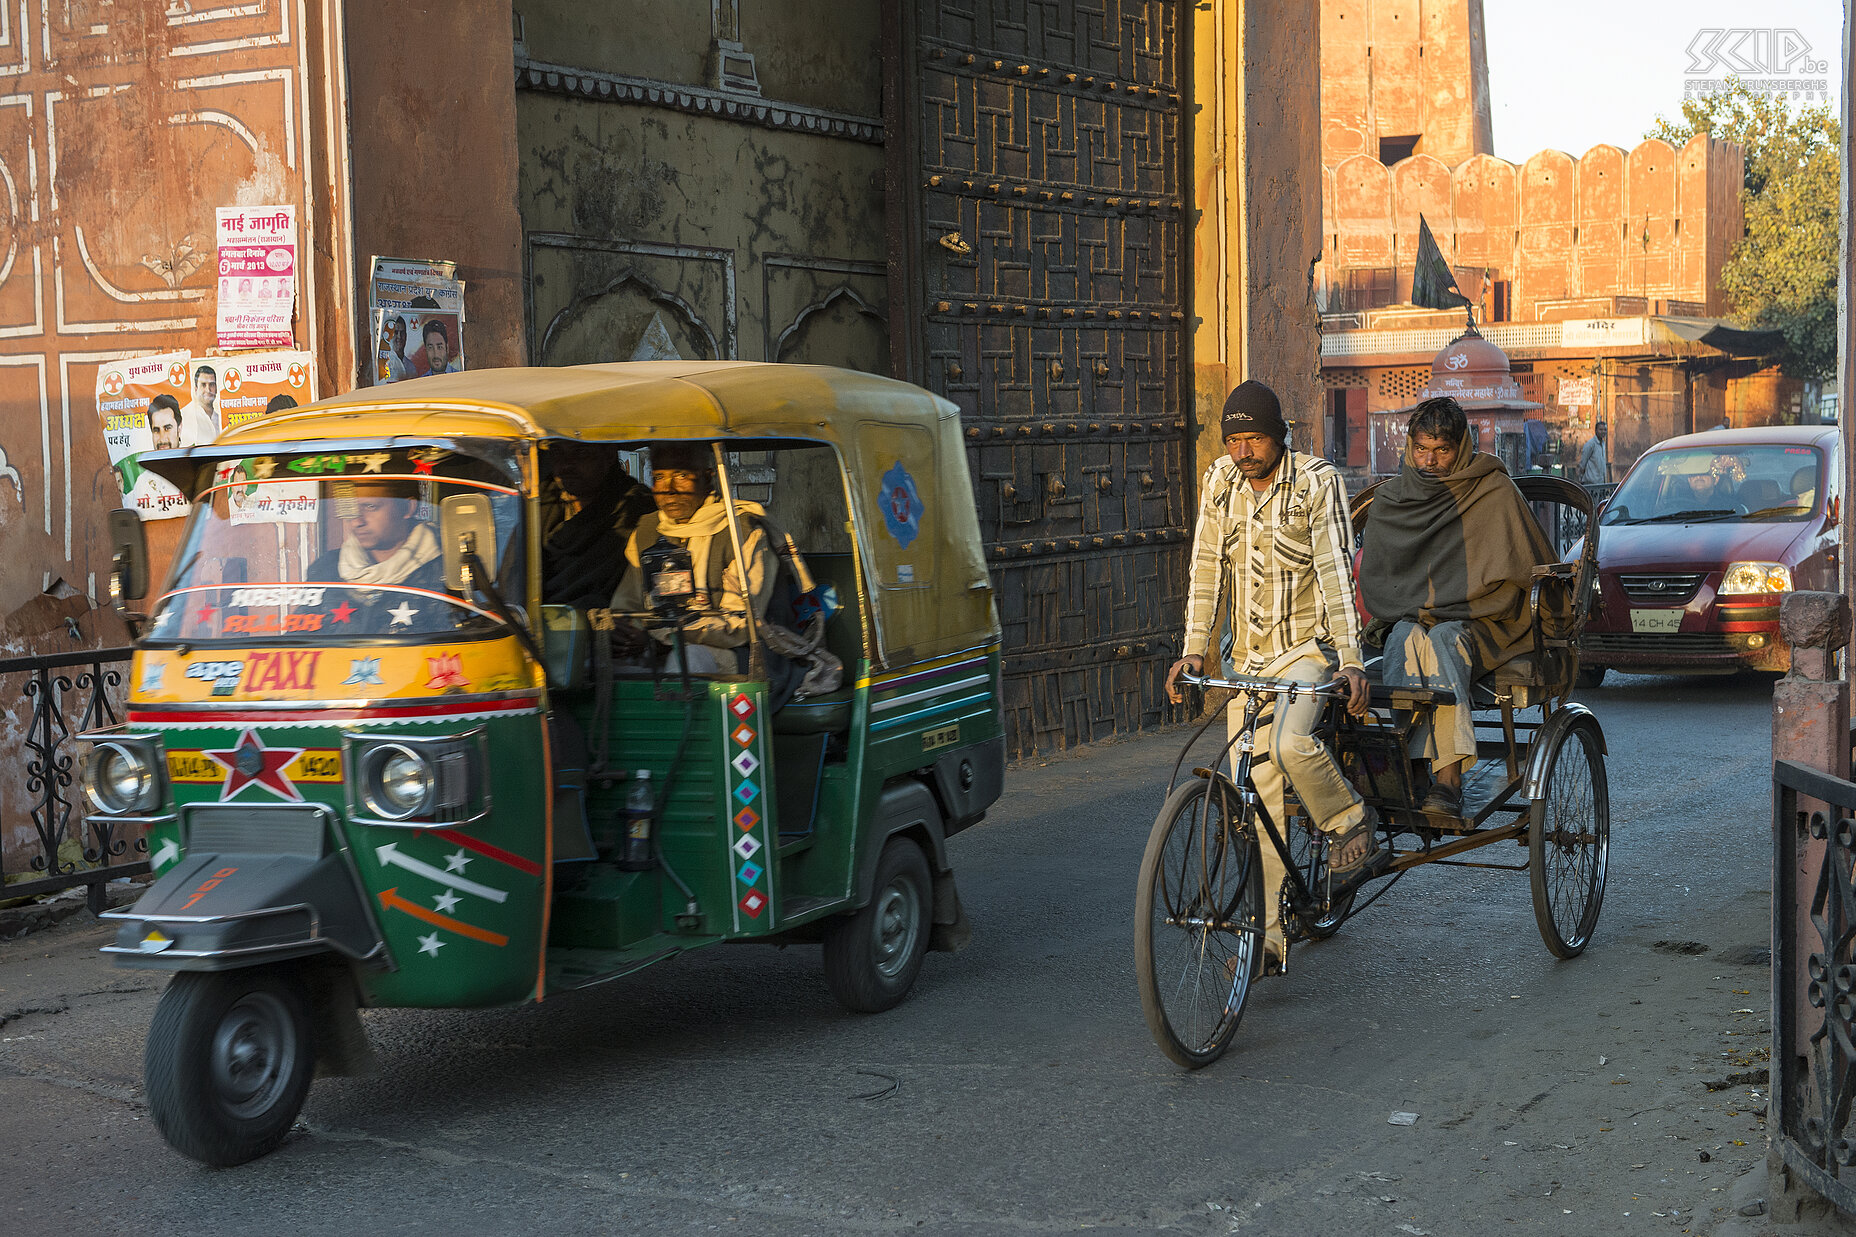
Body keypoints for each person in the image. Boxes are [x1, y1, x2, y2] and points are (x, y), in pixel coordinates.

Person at [1164, 380, 1381, 971]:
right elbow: (1205, 567)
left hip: (1306, 652)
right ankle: (1270, 939)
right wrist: (1193, 651)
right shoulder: (1219, 482)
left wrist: (1352, 658)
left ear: (1279, 435)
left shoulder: (1317, 482)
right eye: (1233, 439)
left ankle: (1347, 821)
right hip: (1248, 662)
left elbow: (1338, 574)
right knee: (1256, 794)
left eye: (1253, 438)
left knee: (1290, 743)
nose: (1242, 451)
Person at [1357, 397, 1556, 818]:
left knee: (1444, 637)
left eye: (1442, 450)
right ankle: (1410, 765)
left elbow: (1528, 562)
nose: (1429, 461)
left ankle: (1448, 777)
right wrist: (1418, 606)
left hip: (1483, 620)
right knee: (1405, 638)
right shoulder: (1394, 499)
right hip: (1413, 616)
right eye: (1421, 449)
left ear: (1461, 447)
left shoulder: (1493, 489)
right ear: (1409, 446)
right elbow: (1381, 577)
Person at [610, 443, 781, 677]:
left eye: (682, 475)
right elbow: (627, 604)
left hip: (736, 653)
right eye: (659, 477)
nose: (669, 490)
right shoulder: (646, 531)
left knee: (687, 660)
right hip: (657, 645)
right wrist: (625, 631)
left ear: (707, 479)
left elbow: (740, 624)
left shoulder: (741, 530)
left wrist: (663, 638)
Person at [307, 480, 445, 633]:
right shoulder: (326, 569)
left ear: (407, 508)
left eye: (370, 507)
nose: (356, 522)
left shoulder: (444, 572)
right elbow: (300, 634)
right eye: (351, 509)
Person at [541, 441, 656, 609]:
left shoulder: (636, 510)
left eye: (580, 453)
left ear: (608, 454)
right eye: (557, 453)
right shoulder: (540, 505)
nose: (565, 464)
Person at [178, 364, 219, 445]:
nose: (208, 390)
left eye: (212, 384)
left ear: (216, 388)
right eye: (203, 385)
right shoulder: (186, 417)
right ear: (196, 389)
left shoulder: (220, 419)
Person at [1577, 419, 1608, 487]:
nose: (1603, 432)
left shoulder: (1603, 444)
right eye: (1600, 429)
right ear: (1596, 430)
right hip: (1591, 483)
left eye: (1605, 429)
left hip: (1601, 482)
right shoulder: (1590, 444)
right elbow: (1583, 464)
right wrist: (1580, 479)